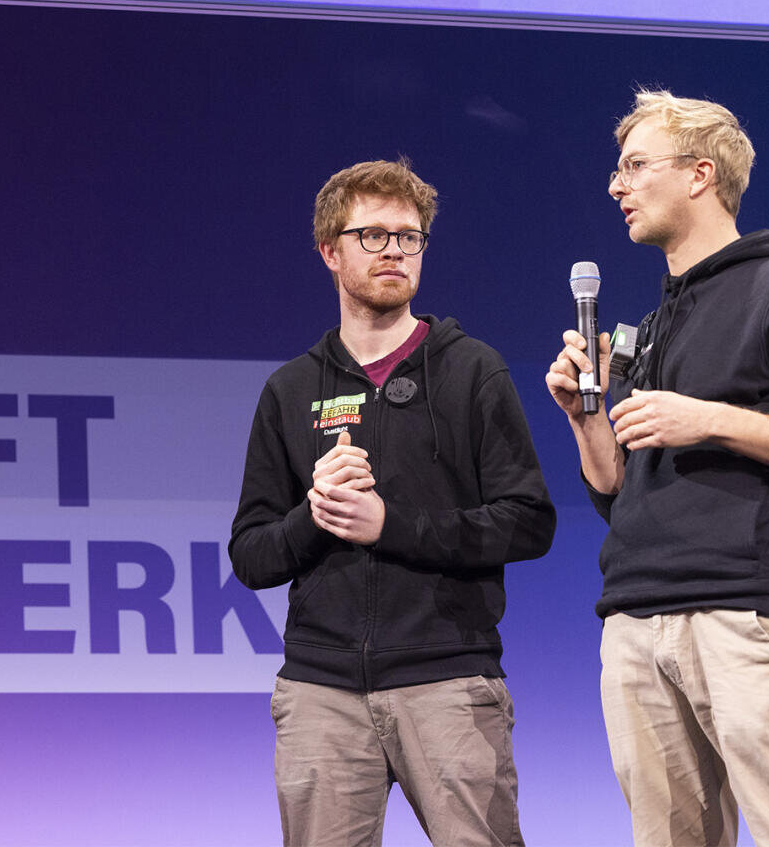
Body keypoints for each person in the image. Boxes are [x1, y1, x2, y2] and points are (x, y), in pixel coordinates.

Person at [545, 90, 769, 847]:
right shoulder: (657, 321)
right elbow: (617, 493)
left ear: (700, 174)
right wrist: (585, 417)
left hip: (748, 618)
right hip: (636, 618)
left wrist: (711, 420)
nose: (615, 185)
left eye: (634, 166)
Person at [230, 157, 555, 847]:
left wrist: (390, 526)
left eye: (409, 237)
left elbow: (527, 522)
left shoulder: (472, 370)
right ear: (330, 250)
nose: (394, 252)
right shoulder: (290, 391)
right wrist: (315, 517)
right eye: (372, 236)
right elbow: (252, 554)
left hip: (449, 680)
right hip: (321, 691)